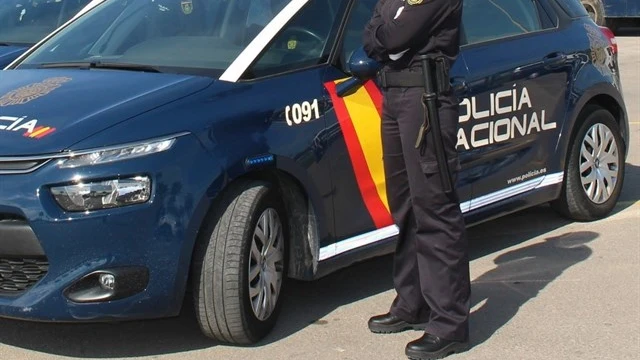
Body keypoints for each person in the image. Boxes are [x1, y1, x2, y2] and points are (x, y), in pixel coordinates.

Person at [362, 1, 471, 359]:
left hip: (425, 100)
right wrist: (384, 36)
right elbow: (372, 35)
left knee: (434, 209)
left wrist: (384, 36)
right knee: (404, 206)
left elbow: (393, 36)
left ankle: (448, 323)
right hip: (392, 97)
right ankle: (413, 303)